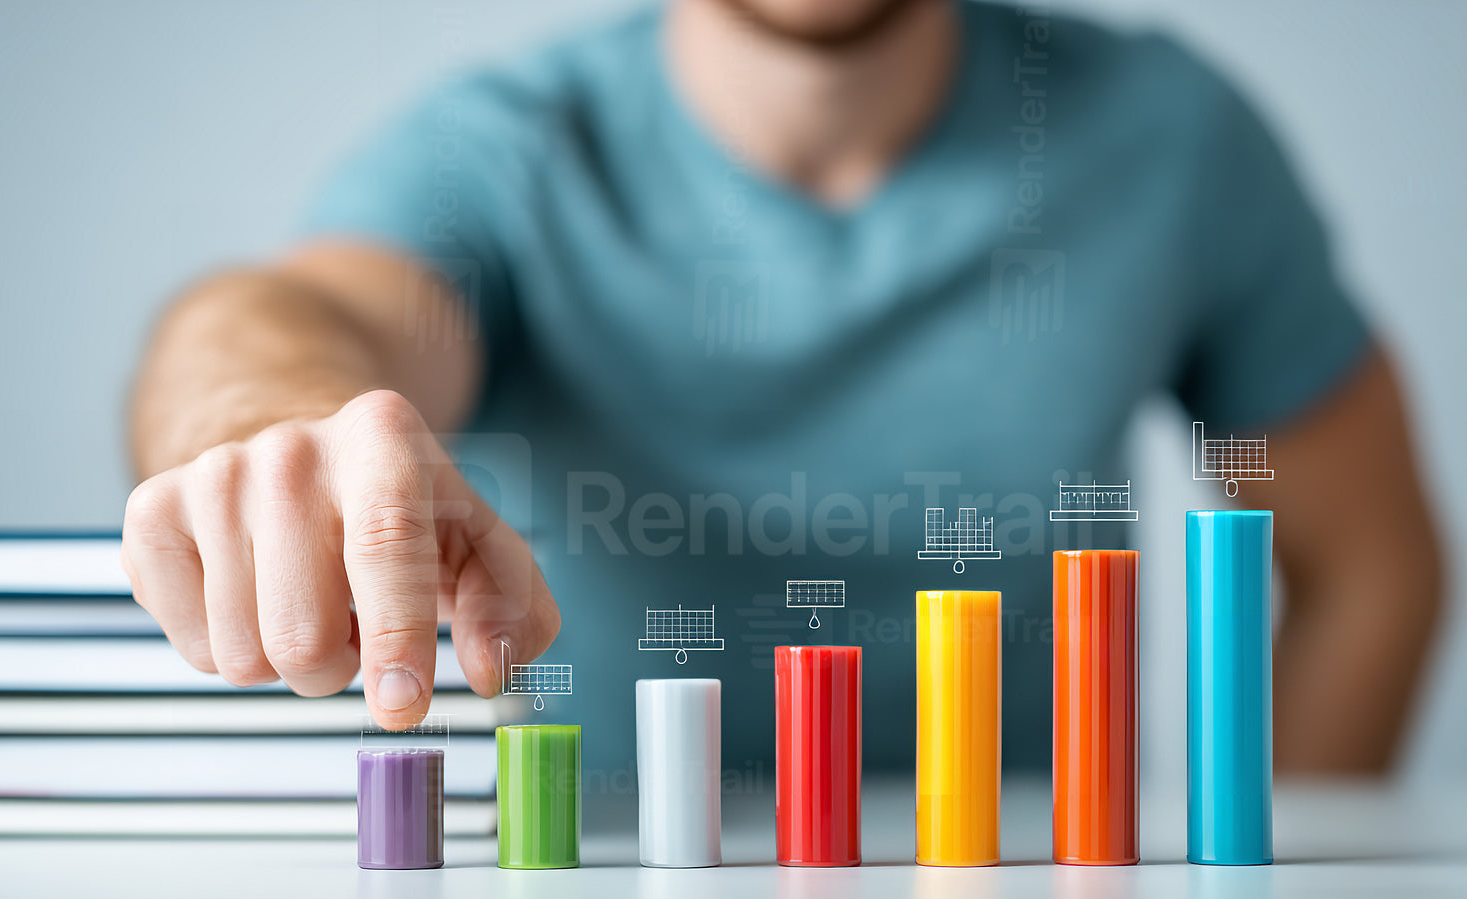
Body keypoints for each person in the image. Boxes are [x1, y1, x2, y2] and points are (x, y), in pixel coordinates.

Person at [122, 0, 1444, 776]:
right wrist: (266, 419)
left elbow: (1367, 563)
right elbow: (309, 318)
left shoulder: (1174, 140)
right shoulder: (499, 157)